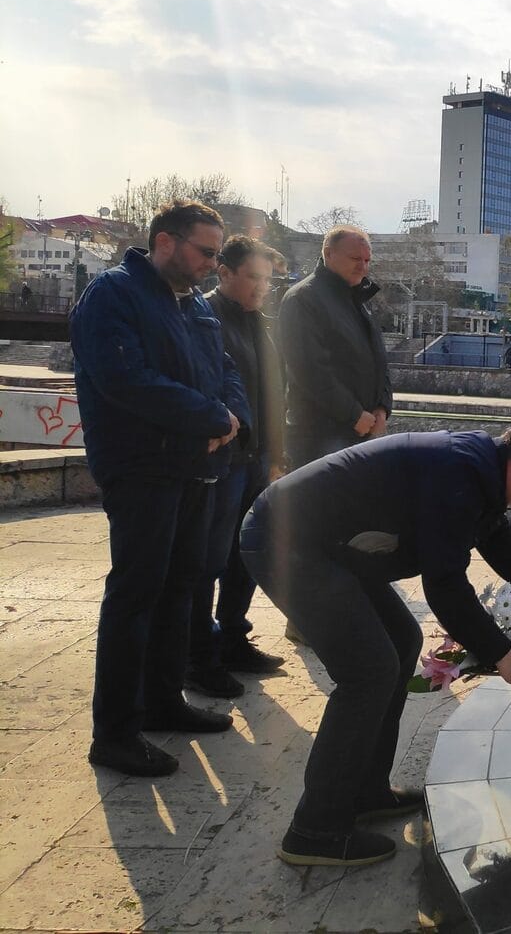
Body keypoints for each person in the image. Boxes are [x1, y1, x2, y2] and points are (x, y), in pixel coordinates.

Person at [239, 414, 511, 868]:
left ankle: (363, 790)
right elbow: (444, 585)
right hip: (288, 542)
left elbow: (503, 551)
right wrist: (503, 654)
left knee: (401, 640)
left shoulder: (481, 473)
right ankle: (315, 829)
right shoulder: (460, 474)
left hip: (332, 548)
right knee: (368, 671)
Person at [71, 200, 251, 777]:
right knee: (136, 596)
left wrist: (230, 418)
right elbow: (127, 380)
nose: (211, 263)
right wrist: (209, 418)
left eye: (217, 253)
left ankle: (163, 701)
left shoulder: (194, 302)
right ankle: (116, 732)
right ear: (166, 242)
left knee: (182, 586)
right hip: (142, 468)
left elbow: (225, 370)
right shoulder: (114, 295)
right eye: (205, 252)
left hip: (195, 469)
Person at [185, 237, 289, 699]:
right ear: (224, 273)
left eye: (267, 278)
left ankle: (233, 639)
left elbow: (274, 395)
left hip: (258, 458)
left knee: (244, 553)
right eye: (253, 277)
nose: (261, 287)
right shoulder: (203, 318)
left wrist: (277, 455)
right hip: (224, 459)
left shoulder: (260, 324)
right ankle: (198, 656)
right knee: (207, 559)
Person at [277, 226, 392, 468]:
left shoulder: (356, 301)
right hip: (320, 436)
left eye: (367, 260)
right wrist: (353, 414)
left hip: (360, 431)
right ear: (329, 254)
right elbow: (308, 369)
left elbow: (378, 360)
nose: (363, 266)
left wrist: (383, 406)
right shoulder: (303, 299)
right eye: (355, 259)